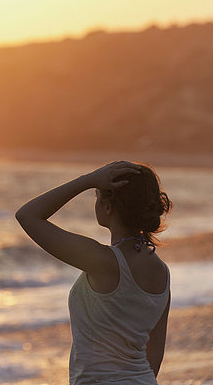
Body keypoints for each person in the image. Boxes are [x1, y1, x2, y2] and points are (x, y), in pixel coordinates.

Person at [15, 159, 173, 385]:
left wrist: (87, 180)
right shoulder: (161, 271)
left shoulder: (102, 262)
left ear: (108, 207)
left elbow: (27, 215)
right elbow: (154, 354)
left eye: (97, 197)